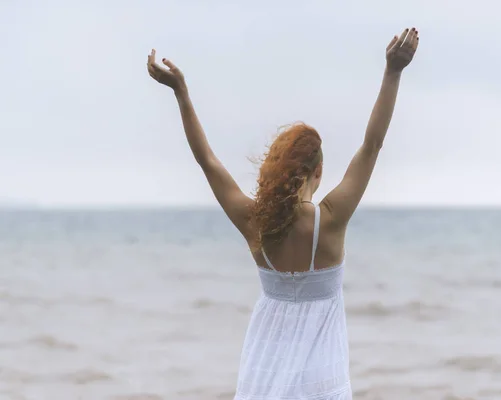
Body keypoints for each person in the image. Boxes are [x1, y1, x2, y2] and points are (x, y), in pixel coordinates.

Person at [147, 27, 419, 400]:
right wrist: (393, 72)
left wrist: (181, 94)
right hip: (323, 384)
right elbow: (371, 146)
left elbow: (207, 161)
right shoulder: (332, 219)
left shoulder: (254, 222)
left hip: (263, 379)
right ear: (318, 172)